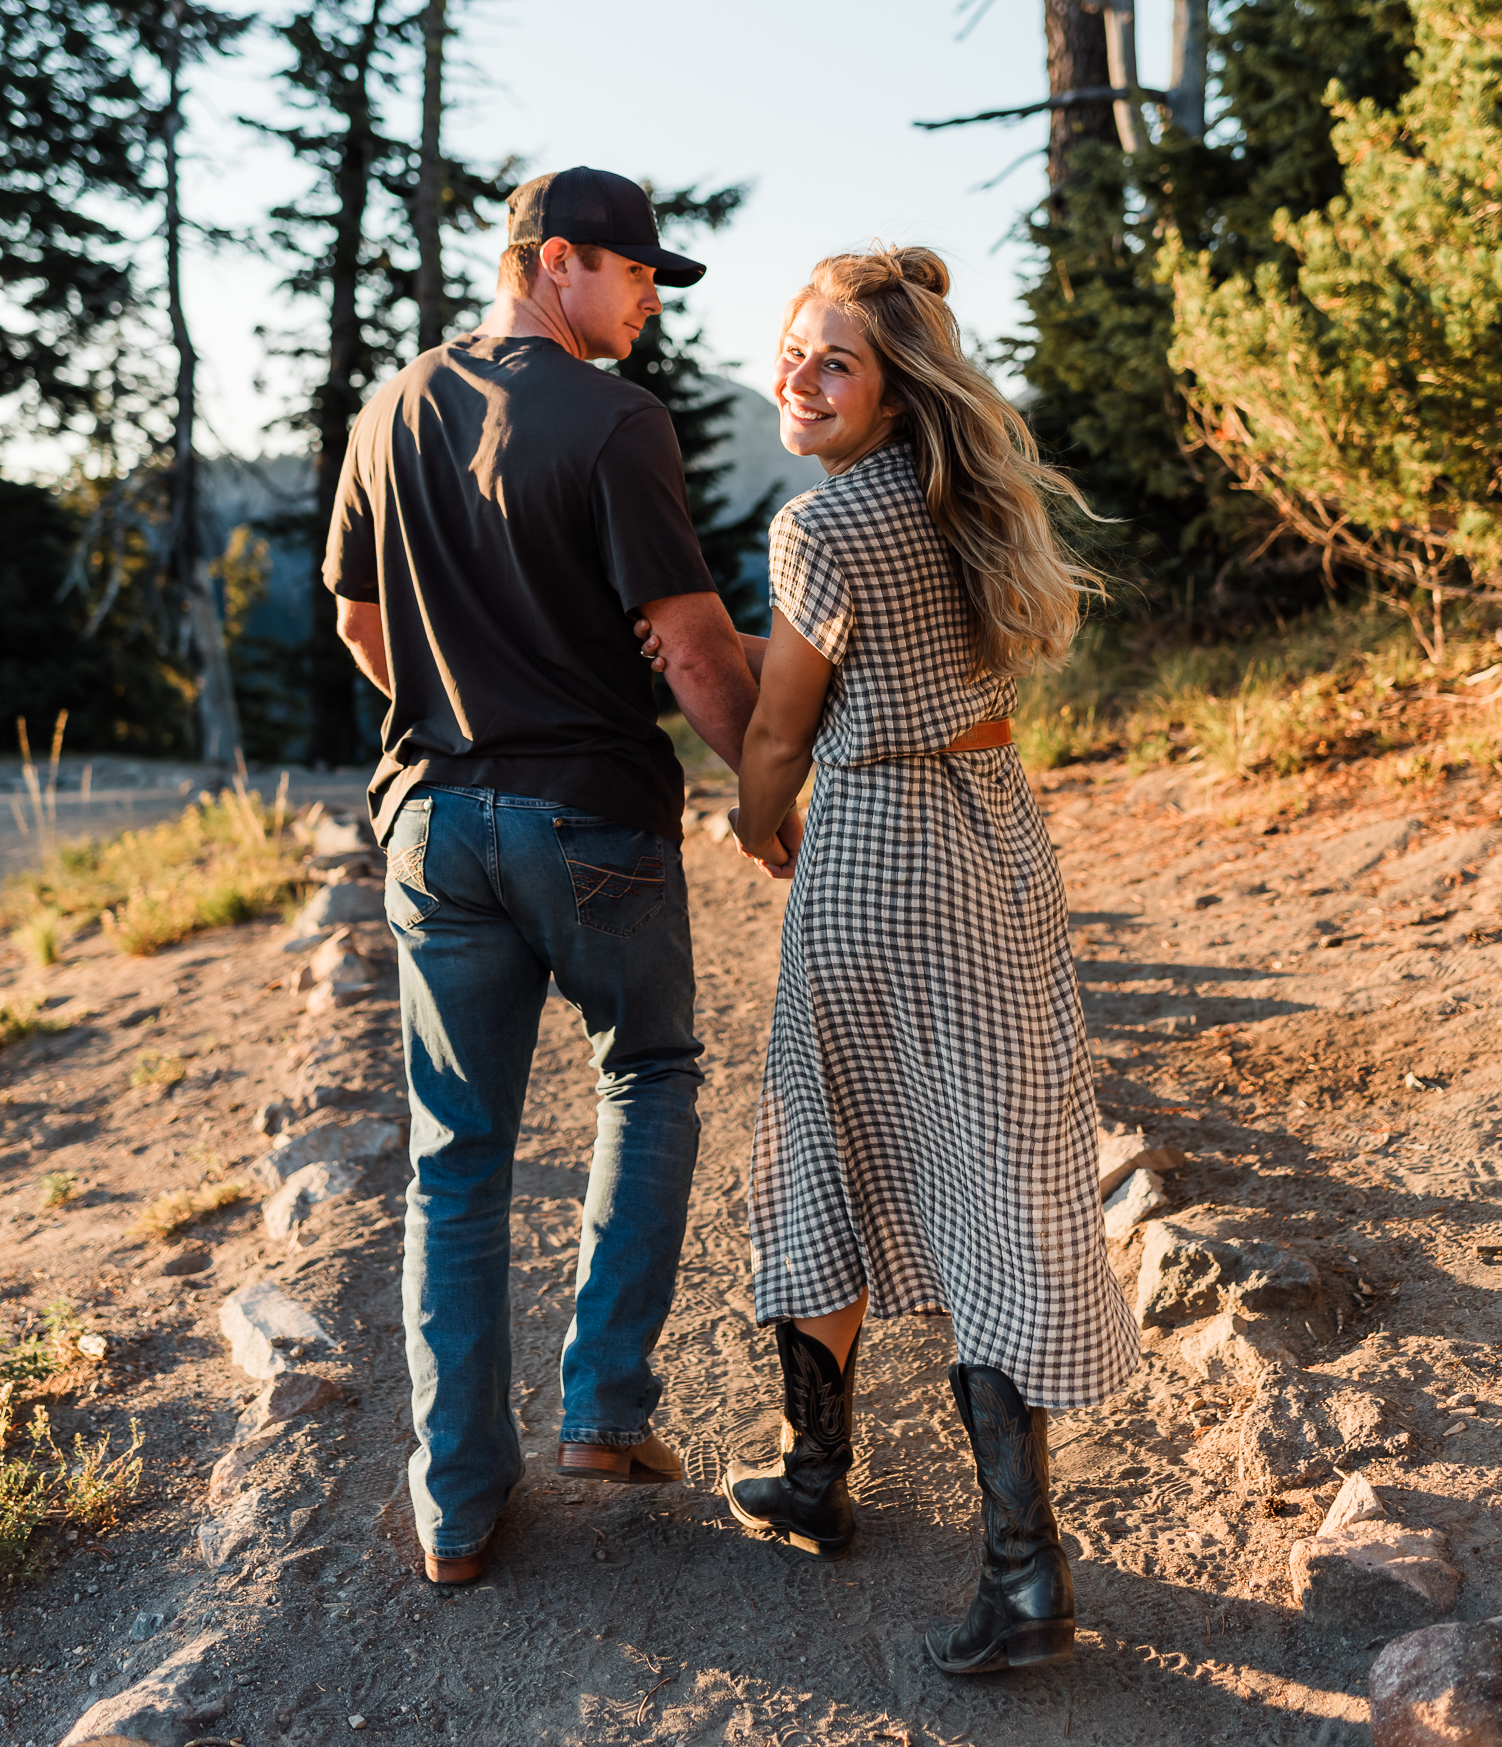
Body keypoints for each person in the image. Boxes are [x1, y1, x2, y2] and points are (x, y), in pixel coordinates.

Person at [641, 244, 1138, 1674]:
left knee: (823, 1153)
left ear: (893, 388)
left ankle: (836, 1485)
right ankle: (1008, 1563)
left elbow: (785, 730)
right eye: (791, 346)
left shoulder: (823, 524)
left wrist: (748, 816)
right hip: (992, 836)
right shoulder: (957, 503)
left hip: (874, 852)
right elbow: (873, 657)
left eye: (833, 359)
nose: (797, 373)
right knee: (991, 1171)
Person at [325, 166, 799, 1588]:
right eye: (640, 274)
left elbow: (358, 622)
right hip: (589, 816)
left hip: (431, 822)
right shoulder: (613, 419)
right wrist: (764, 799)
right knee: (647, 1074)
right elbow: (697, 648)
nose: (651, 301)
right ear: (558, 262)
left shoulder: (391, 404)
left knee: (454, 1158)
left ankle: (457, 1508)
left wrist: (462, 704)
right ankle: (602, 1408)